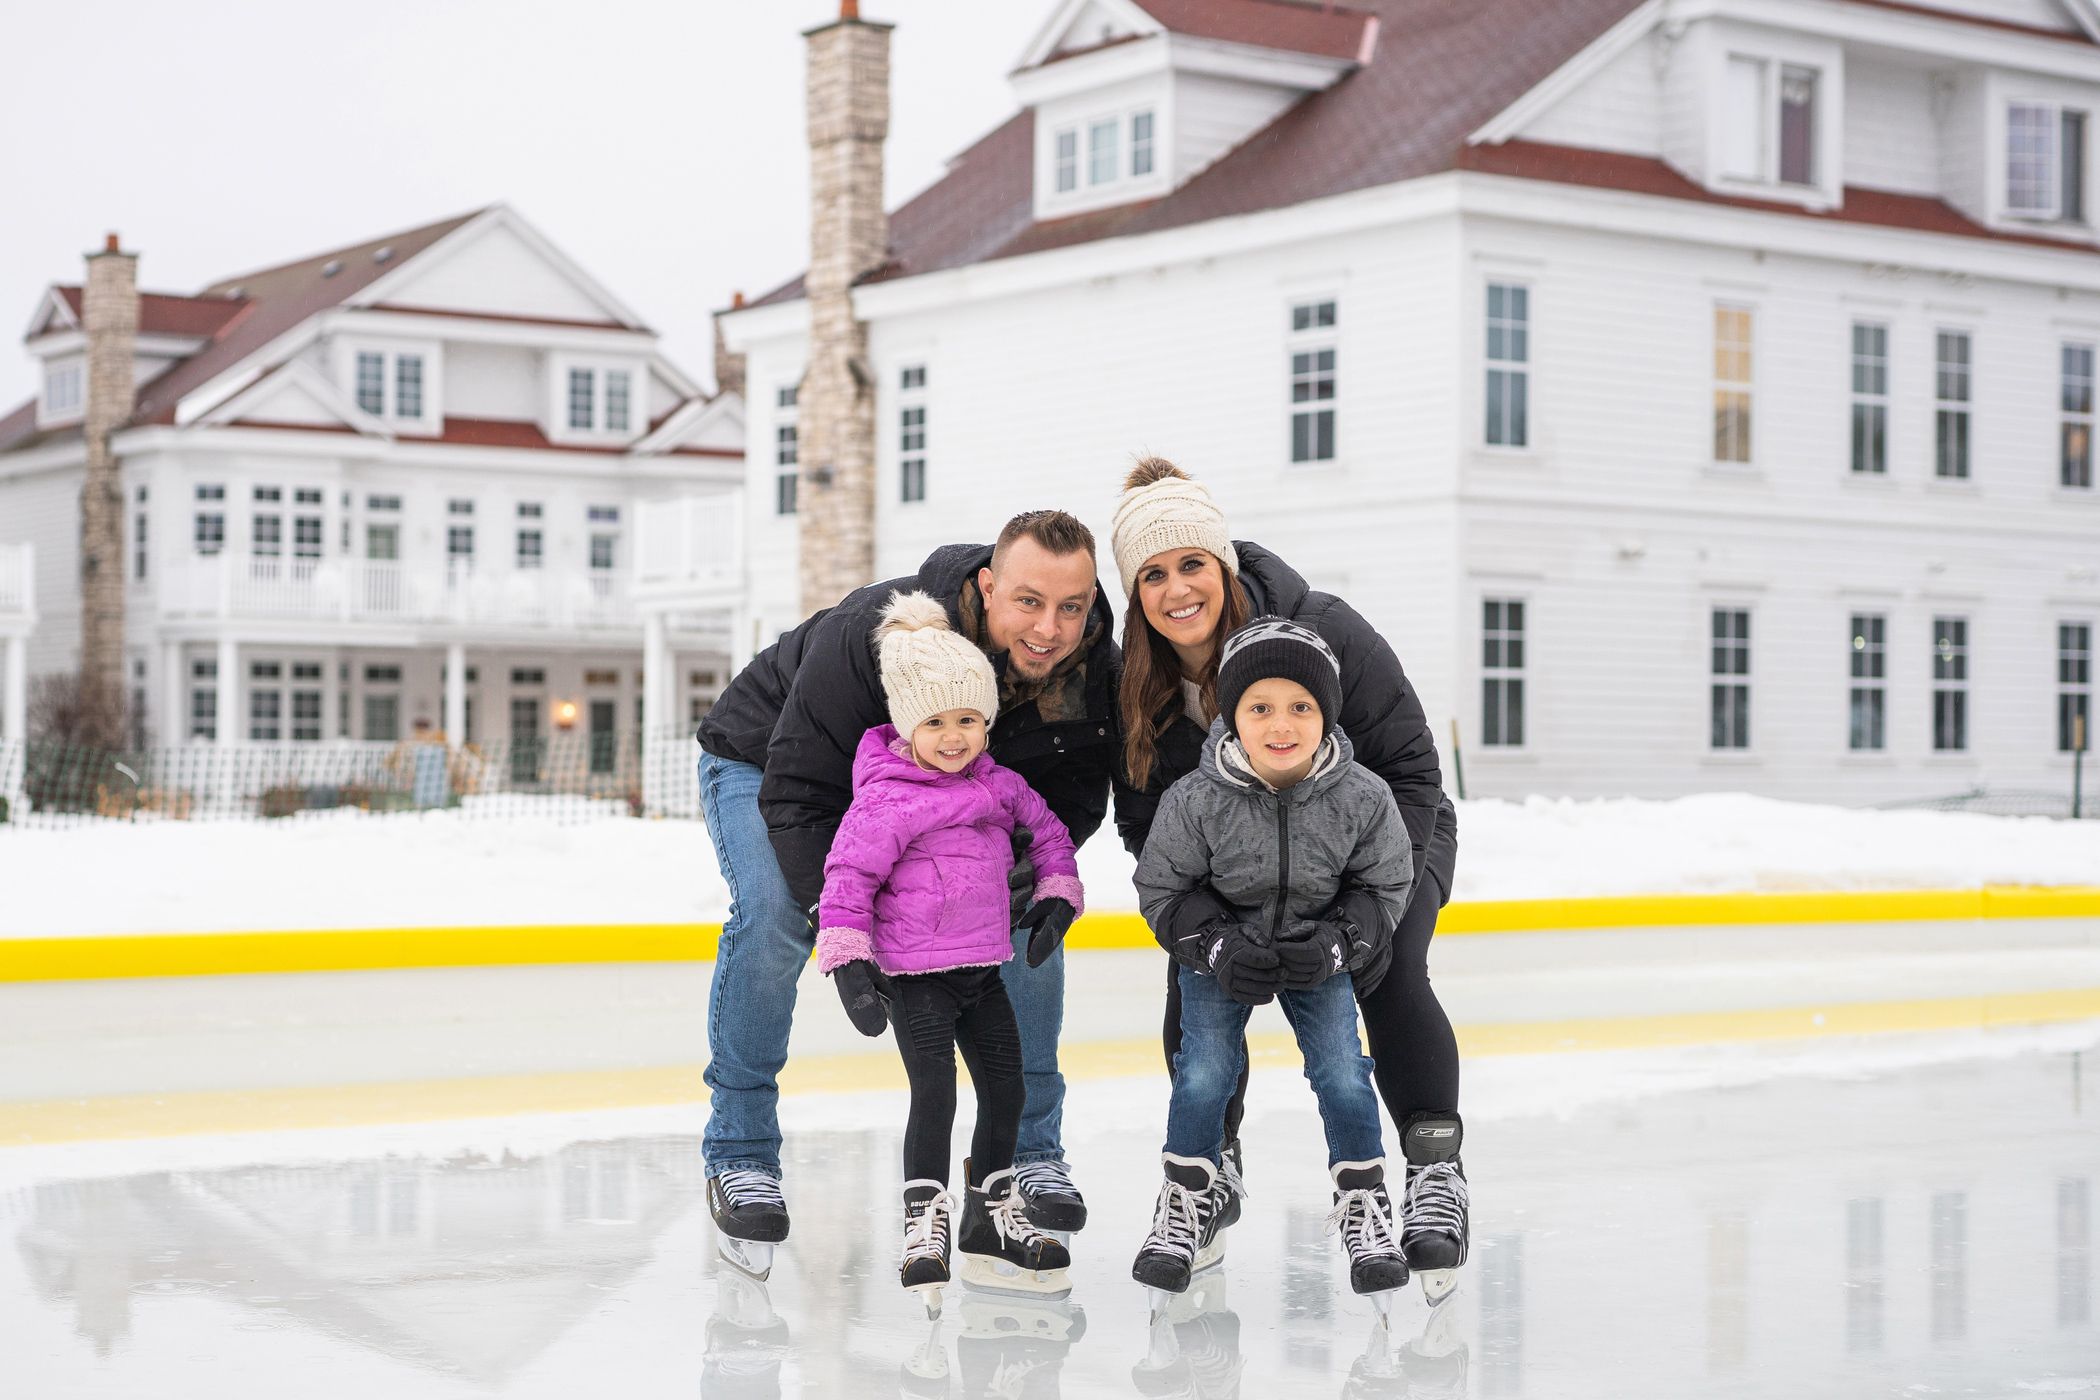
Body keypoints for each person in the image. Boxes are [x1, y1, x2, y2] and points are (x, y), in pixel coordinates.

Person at [694, 510, 1119, 1275]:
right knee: (778, 915)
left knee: (1020, 915)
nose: (1049, 628)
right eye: (1029, 602)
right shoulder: (872, 635)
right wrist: (843, 927)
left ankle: (1025, 1159)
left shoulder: (1087, 665)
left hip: (948, 791)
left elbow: (1074, 790)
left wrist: (1032, 878)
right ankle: (741, 1153)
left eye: (1071, 606)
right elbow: (799, 791)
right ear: (987, 586)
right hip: (773, 766)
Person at [1110, 458, 1469, 1299]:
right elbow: (1147, 825)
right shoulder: (1137, 681)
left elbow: (1412, 769)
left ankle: (1433, 1173)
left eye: (1192, 563)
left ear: (1224, 562)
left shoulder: (1322, 629)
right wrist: (1206, 929)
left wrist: (1359, 919)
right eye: (1153, 575)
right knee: (1198, 982)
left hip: (1383, 838)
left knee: (1387, 971)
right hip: (1234, 863)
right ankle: (1208, 1172)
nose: (1177, 589)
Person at [1131, 618, 1414, 1311]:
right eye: (1260, 707)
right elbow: (1163, 888)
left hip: (1318, 951)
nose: (1281, 725)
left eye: (1300, 707)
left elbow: (1386, 885)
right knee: (1204, 1071)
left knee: (1343, 1071)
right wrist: (1215, 944)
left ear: (1327, 714)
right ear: (1233, 715)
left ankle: (1363, 1202)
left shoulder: (1363, 797)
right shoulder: (1195, 799)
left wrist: (1339, 942)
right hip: (1223, 953)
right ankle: (1186, 1198)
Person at [815, 591, 1084, 1311]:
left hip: (982, 971)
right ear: (908, 727)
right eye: (935, 722)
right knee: (935, 1095)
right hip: (916, 980)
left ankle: (989, 1216)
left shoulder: (998, 784)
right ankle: (923, 1222)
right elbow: (848, 879)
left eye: (968, 719)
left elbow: (1050, 832)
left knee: (1008, 1090)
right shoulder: (887, 800)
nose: (955, 736)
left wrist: (1057, 890)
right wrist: (849, 962)